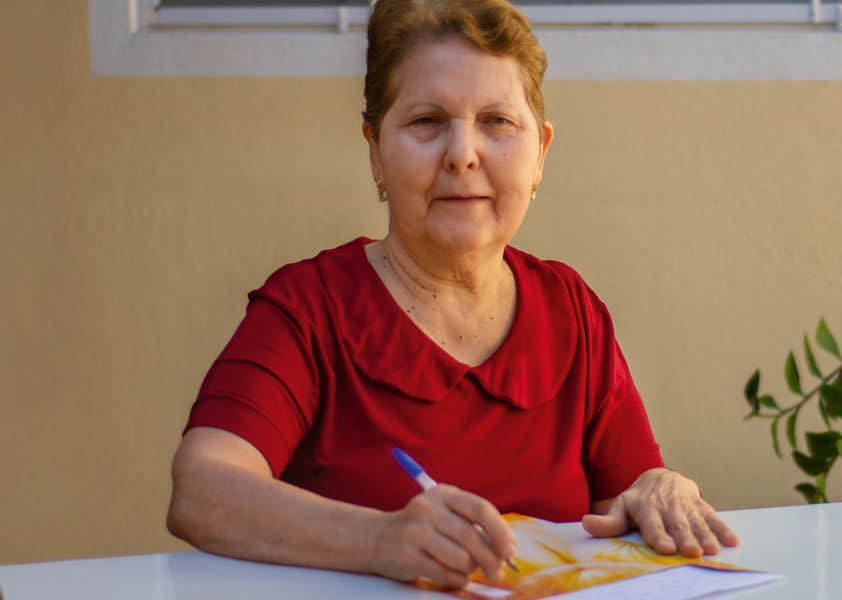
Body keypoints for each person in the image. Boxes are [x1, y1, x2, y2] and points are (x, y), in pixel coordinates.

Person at [165, 0, 738, 590]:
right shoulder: (309, 308)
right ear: (375, 151)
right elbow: (203, 490)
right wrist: (380, 540)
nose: (463, 154)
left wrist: (662, 487)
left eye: (497, 121)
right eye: (426, 121)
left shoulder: (571, 310)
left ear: (539, 153)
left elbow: (629, 493)